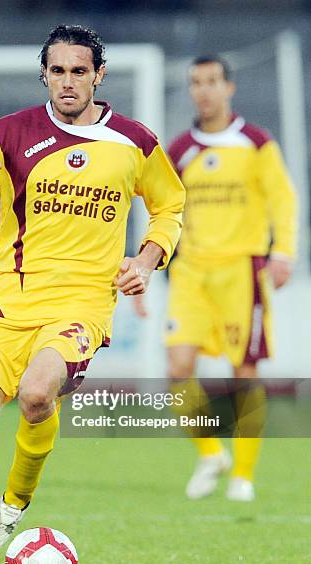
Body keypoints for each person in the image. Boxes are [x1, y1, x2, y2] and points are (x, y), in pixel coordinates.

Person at [0, 24, 185, 564]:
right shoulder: (5, 134)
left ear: (99, 74)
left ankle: (14, 506)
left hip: (83, 303)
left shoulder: (135, 141)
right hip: (7, 305)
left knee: (40, 393)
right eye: (58, 70)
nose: (68, 81)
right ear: (44, 73)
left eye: (79, 70)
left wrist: (146, 260)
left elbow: (169, 208)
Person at [135, 55, 296, 502]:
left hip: (241, 269)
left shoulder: (255, 142)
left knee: (244, 372)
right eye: (195, 83)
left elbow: (282, 201)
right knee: (177, 369)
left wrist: (282, 252)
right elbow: (160, 208)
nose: (203, 90)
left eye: (211, 82)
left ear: (229, 88)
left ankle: (243, 474)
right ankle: (211, 454)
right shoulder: (180, 149)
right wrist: (142, 266)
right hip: (189, 272)